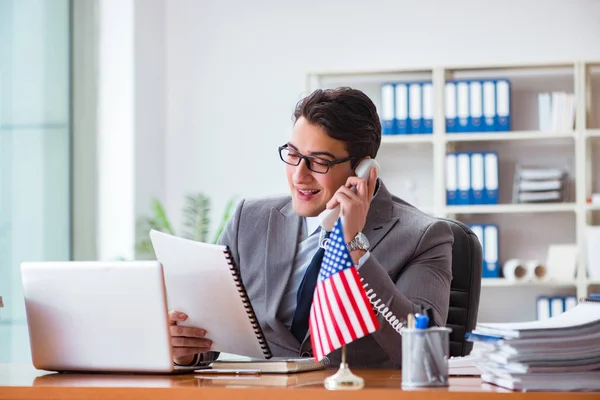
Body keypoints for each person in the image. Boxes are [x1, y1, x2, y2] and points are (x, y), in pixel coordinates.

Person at [168, 87, 453, 368]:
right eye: (292, 155)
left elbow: (424, 353)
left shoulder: (424, 237)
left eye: (319, 162)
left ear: (363, 171)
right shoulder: (249, 220)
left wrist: (354, 246)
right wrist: (187, 351)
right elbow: (211, 329)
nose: (299, 176)